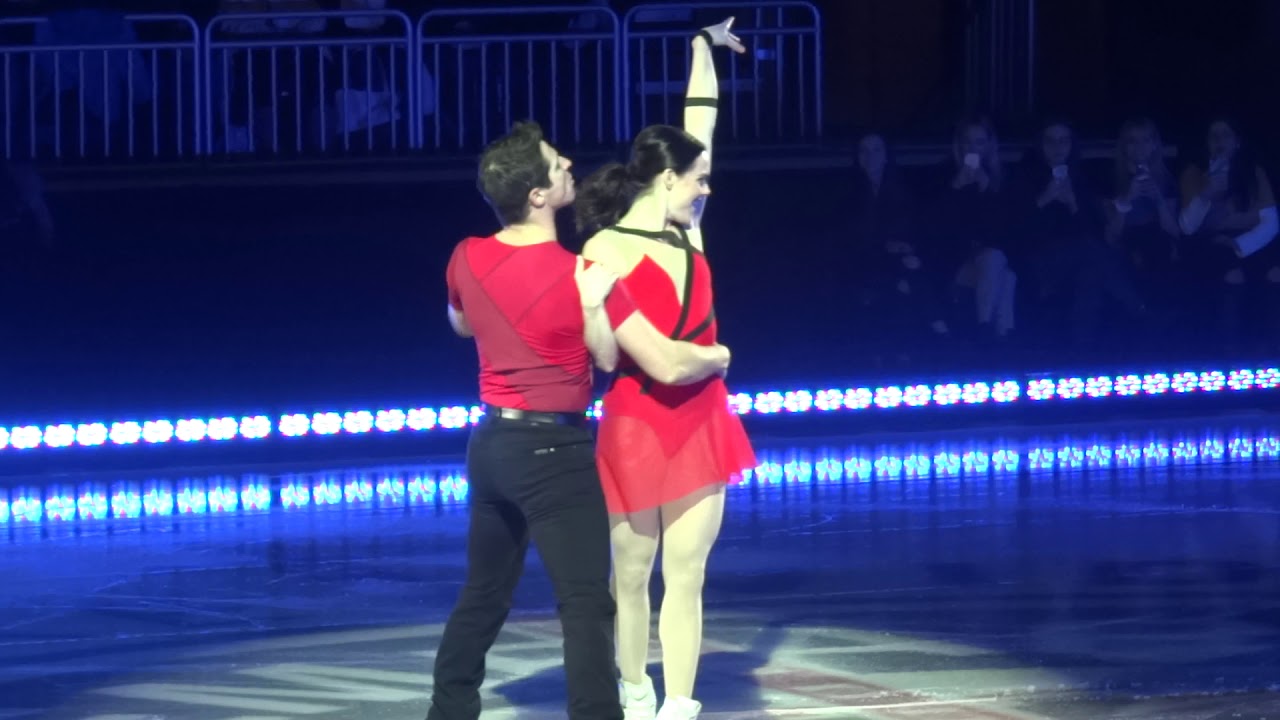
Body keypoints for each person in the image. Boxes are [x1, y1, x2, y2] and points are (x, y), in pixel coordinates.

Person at [429, 121, 731, 720]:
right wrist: (716, 356)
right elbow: (623, 359)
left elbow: (462, 323)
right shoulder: (580, 274)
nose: (568, 162)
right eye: (554, 162)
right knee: (586, 602)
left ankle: (449, 710)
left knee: (484, 594)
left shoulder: (466, 255)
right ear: (537, 195)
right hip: (555, 455)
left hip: (491, 446)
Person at [574, 18, 755, 720]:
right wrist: (714, 356)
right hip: (636, 420)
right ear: (665, 178)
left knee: (688, 576)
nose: (708, 187)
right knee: (631, 576)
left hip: (704, 421)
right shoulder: (605, 249)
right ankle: (634, 689)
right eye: (698, 179)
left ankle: (680, 704)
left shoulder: (693, 228)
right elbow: (608, 356)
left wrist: (702, 47)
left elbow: (700, 118)